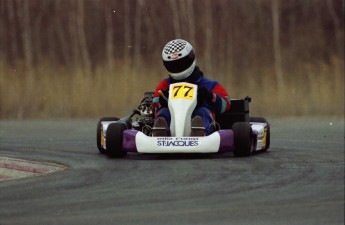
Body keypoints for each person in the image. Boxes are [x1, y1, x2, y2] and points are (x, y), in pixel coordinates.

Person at [152, 39, 231, 136]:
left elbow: (226, 104)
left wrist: (210, 96)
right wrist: (161, 101)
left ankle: (200, 132)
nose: (178, 67)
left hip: (199, 120)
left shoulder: (210, 85)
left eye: (181, 63)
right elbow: (154, 106)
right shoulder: (164, 85)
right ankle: (161, 133)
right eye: (174, 65)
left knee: (203, 112)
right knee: (164, 112)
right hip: (173, 124)